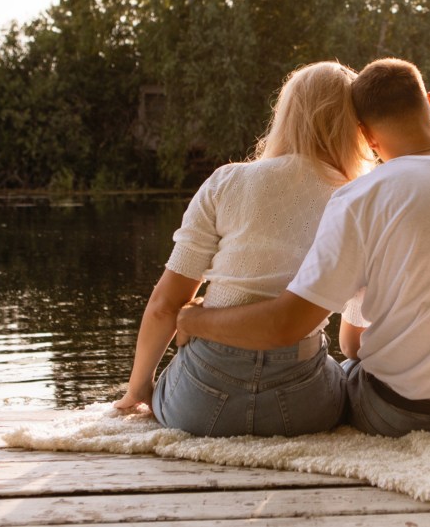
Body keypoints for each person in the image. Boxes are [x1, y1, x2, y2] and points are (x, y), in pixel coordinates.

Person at [177, 57, 430, 440]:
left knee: (342, 375)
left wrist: (194, 320)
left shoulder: (360, 197)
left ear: (366, 135)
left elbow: (330, 337)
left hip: (397, 416)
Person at [113, 61, 373, 437]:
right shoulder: (360, 200)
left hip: (199, 401)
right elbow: (355, 335)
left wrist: (138, 391)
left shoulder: (227, 182)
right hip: (301, 405)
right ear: (354, 129)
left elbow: (164, 305)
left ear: (286, 116)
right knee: (346, 372)